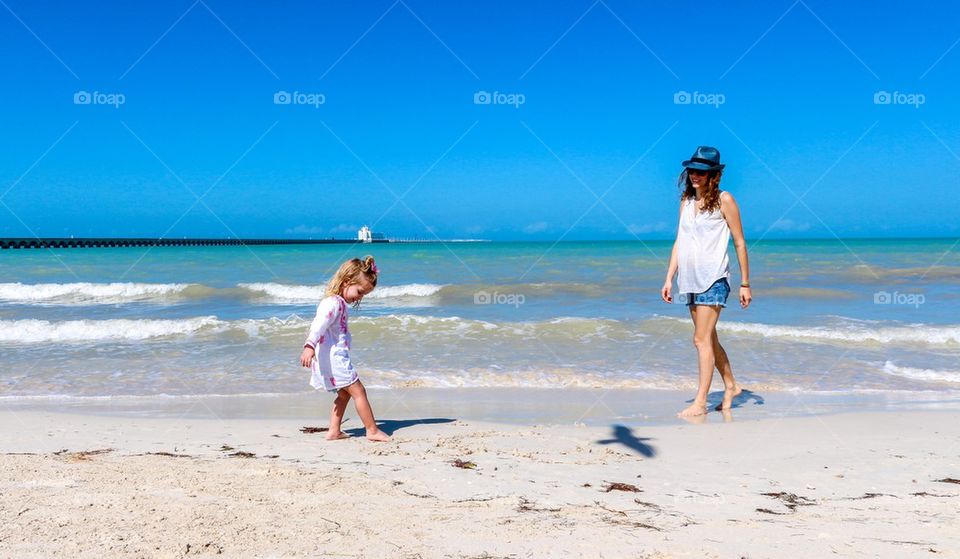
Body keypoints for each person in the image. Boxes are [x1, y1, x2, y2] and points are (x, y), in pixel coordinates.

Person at [661, 146, 752, 417]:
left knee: (700, 340)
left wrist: (745, 283)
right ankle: (732, 385)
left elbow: (739, 241)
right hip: (689, 280)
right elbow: (681, 241)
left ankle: (700, 402)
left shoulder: (725, 200)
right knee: (709, 339)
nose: (694, 175)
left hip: (714, 278)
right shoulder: (686, 203)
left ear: (714, 174)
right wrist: (669, 277)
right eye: (691, 170)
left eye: (700, 171)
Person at [300, 256, 390, 441]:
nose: (360, 297)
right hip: (335, 359)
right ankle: (372, 430)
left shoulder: (338, 303)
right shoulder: (332, 303)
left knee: (344, 395)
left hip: (333, 358)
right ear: (347, 281)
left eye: (364, 295)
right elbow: (318, 325)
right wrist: (309, 345)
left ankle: (334, 431)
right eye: (359, 291)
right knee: (359, 392)